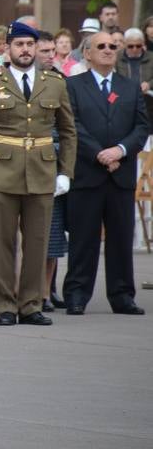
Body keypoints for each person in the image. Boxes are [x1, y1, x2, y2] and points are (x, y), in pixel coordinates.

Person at [0, 21, 76, 327]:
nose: (25, 50)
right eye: (19, 45)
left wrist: (65, 171)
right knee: (2, 243)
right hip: (1, 171)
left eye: (30, 45)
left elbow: (68, 131)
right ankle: (4, 304)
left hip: (41, 171)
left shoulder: (54, 82)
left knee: (37, 242)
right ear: (8, 48)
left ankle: (31, 304)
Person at [62, 32, 149, 315]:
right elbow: (71, 124)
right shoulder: (73, 85)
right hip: (87, 173)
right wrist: (100, 152)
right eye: (102, 46)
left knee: (121, 239)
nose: (109, 50)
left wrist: (120, 151)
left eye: (114, 46)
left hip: (120, 173)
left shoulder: (130, 86)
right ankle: (76, 294)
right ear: (87, 53)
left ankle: (122, 295)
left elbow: (141, 126)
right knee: (83, 239)